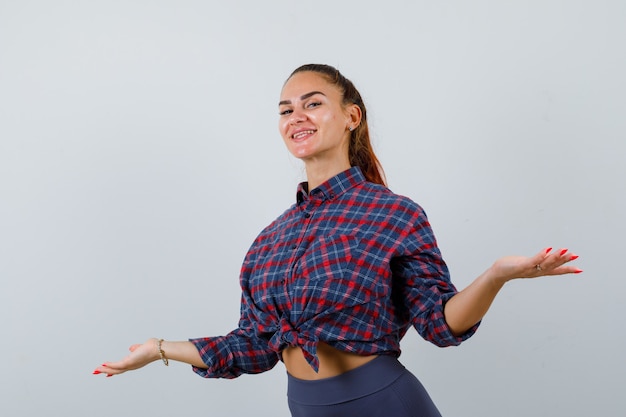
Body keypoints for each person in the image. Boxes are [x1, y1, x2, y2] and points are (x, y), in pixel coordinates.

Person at [93, 64, 581, 416]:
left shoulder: (394, 214)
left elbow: (439, 324)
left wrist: (497, 276)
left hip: (385, 402)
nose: (296, 116)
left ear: (351, 117)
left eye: (312, 103)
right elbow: (253, 347)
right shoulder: (269, 242)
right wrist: (158, 348)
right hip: (305, 407)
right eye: (285, 109)